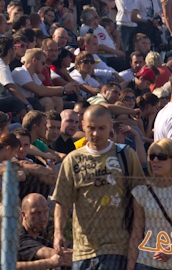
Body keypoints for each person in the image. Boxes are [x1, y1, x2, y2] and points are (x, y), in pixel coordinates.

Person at [52, 105, 143, 270]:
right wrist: (58, 232)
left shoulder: (126, 155)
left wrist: (135, 243)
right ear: (83, 126)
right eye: (91, 128)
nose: (96, 133)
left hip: (116, 247)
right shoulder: (73, 159)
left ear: (110, 126)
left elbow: (140, 199)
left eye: (101, 128)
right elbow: (62, 201)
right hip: (82, 250)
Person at [127, 139, 172, 270]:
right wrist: (130, 267)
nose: (155, 161)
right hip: (146, 261)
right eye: (152, 156)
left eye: (161, 157)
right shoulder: (141, 192)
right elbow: (136, 233)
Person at [18, 193, 72, 269]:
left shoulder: (40, 235)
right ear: (24, 215)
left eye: (46, 211)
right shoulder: (20, 237)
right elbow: (47, 252)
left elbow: (59, 248)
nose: (43, 218)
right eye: (37, 213)